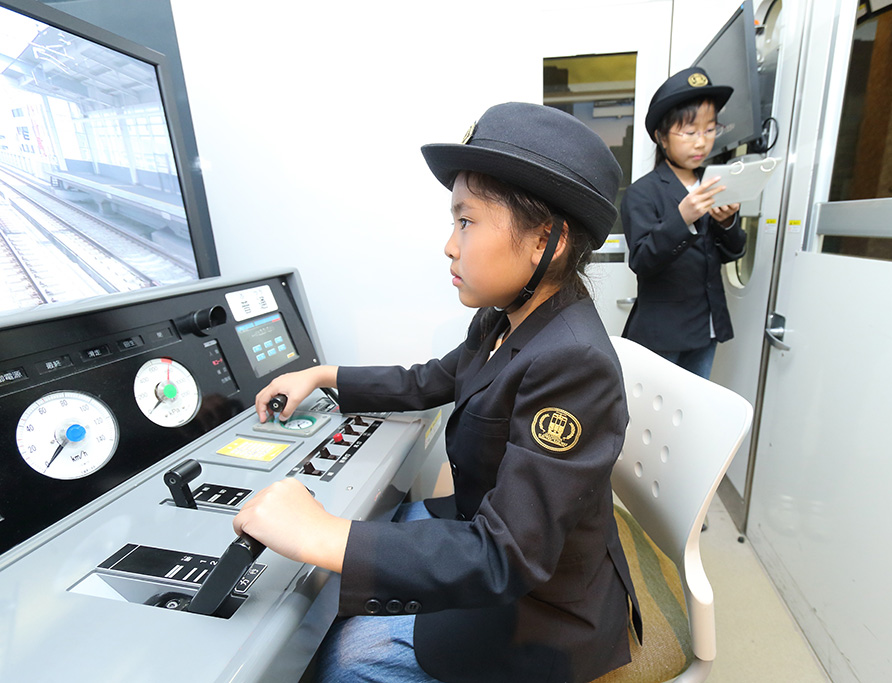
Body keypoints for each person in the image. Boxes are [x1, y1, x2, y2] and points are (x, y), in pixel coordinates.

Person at [235, 102, 641, 683]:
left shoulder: (573, 361)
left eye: (467, 222)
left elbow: (508, 554)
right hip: (492, 532)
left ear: (545, 240)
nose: (449, 246)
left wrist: (324, 534)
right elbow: (431, 379)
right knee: (381, 529)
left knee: (344, 659)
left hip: (545, 609)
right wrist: (325, 376)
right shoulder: (510, 316)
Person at [621, 66, 747, 379]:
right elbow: (641, 260)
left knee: (694, 415)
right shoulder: (643, 192)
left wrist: (728, 223)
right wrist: (682, 218)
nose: (701, 142)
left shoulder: (717, 184)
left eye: (709, 130)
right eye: (689, 132)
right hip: (662, 332)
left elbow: (734, 253)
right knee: (656, 420)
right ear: (662, 137)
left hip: (707, 326)